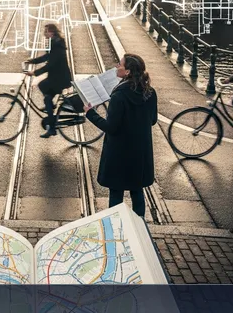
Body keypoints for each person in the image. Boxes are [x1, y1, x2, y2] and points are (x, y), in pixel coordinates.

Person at [83, 54, 157, 217]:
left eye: (120, 65)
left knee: (116, 194)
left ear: (128, 72)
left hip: (119, 153)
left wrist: (91, 114)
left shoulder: (119, 96)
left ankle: (114, 227)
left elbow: (111, 127)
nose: (117, 66)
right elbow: (152, 120)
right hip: (139, 153)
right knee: (137, 192)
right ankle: (140, 226)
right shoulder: (150, 92)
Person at [24, 24, 72, 138]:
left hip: (60, 79)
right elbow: (47, 57)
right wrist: (32, 61)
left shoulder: (56, 45)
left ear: (51, 32)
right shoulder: (56, 42)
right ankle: (50, 108)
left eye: (45, 31)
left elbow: (50, 65)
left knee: (43, 88)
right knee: (46, 94)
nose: (44, 34)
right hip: (58, 77)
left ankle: (52, 128)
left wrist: (34, 73)